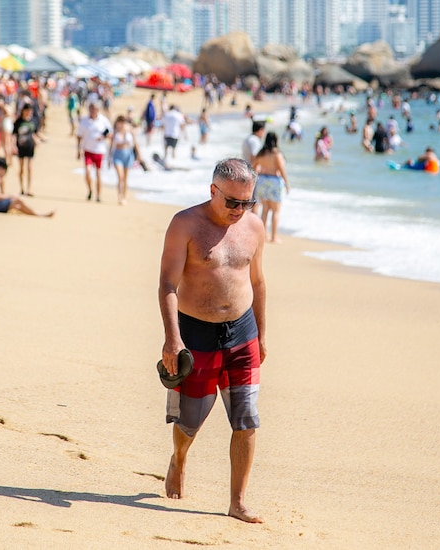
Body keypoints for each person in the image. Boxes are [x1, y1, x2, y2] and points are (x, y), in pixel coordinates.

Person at [158, 158, 267, 524]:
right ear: (213, 191)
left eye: (246, 202)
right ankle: (180, 458)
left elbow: (258, 282)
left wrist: (262, 335)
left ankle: (237, 501)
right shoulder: (185, 224)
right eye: (232, 202)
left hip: (242, 331)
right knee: (190, 419)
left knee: (246, 420)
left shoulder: (254, 226)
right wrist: (172, 339)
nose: (239, 210)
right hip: (195, 332)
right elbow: (167, 285)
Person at [252, 132, 290, 243]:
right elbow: (281, 169)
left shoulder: (261, 153)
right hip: (274, 181)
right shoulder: (276, 154)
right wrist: (287, 183)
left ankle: (263, 236)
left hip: (262, 180)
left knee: (265, 210)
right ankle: (274, 237)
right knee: (275, 211)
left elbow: (254, 167)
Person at [76, 101, 112, 202]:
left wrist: (103, 136)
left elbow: (110, 133)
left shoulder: (103, 120)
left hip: (99, 151)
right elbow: (79, 136)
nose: (93, 110)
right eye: (91, 108)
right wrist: (78, 150)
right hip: (88, 150)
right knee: (87, 172)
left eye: (95, 108)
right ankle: (90, 190)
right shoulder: (84, 121)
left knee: (98, 174)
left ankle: (98, 195)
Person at [13, 103, 42, 196]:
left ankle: (28, 189)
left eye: (30, 111)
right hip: (20, 146)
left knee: (29, 168)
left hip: (30, 146)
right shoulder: (18, 122)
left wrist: (38, 140)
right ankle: (22, 188)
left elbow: (34, 133)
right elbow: (14, 135)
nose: (29, 113)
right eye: (27, 111)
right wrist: (13, 146)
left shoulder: (33, 121)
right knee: (21, 169)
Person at [110, 114, 137, 205]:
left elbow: (135, 143)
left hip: (128, 154)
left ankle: (124, 197)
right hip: (118, 154)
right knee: (120, 177)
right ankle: (119, 196)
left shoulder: (129, 131)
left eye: (123, 122)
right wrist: (108, 158)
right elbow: (111, 145)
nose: (121, 124)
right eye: (119, 122)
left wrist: (140, 156)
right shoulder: (115, 132)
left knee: (125, 178)